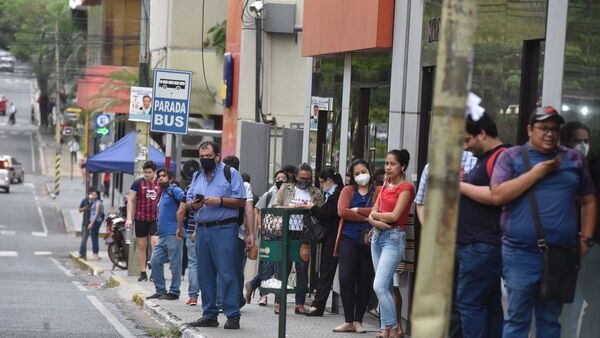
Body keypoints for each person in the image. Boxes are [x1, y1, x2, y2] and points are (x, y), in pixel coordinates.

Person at [490, 106, 597, 338]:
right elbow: (498, 195)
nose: (550, 134)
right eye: (544, 128)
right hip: (520, 254)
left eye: (554, 129)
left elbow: (589, 200)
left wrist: (586, 237)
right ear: (530, 130)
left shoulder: (573, 159)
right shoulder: (512, 157)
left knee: (550, 321)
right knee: (518, 319)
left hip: (560, 255)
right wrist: (535, 174)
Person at [414, 150, 478, 338]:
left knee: (464, 298)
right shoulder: (432, 166)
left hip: (469, 240)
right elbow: (421, 202)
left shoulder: (476, 162)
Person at [456, 113, 508, 338]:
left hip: (482, 244)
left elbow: (497, 195)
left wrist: (458, 186)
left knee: (470, 304)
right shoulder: (487, 158)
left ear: (482, 134)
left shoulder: (501, 157)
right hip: (478, 244)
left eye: (467, 140)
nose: (465, 147)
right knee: (488, 304)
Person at [186, 141, 246, 330]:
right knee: (205, 273)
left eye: (208, 157)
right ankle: (209, 314)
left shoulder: (230, 173)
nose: (204, 160)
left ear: (218, 156)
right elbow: (189, 201)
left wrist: (219, 201)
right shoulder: (197, 175)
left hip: (224, 229)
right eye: (201, 157)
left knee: (227, 273)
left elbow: (241, 201)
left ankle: (232, 315)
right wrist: (194, 204)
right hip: (202, 229)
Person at [368, 149, 415, 338]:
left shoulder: (406, 188)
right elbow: (373, 212)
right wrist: (378, 221)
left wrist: (375, 217)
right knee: (385, 287)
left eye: (392, 163)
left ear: (402, 166)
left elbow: (395, 216)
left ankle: (395, 329)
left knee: (379, 286)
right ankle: (386, 330)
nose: (388, 167)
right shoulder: (384, 185)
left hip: (393, 239)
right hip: (377, 237)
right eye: (386, 163)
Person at [333, 159, 380, 333]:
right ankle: (348, 320)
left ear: (370, 171)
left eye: (363, 171)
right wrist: (367, 216)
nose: (361, 175)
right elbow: (342, 211)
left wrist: (357, 211)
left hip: (370, 240)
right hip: (348, 238)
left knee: (365, 279)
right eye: (357, 173)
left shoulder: (378, 191)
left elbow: (379, 211)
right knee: (345, 277)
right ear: (352, 176)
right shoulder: (348, 190)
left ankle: (358, 320)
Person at [272, 162, 324, 315]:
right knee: (284, 267)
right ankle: (278, 302)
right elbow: (275, 206)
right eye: (301, 177)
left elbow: (320, 212)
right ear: (296, 176)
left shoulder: (315, 192)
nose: (304, 181)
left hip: (305, 233)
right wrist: (290, 208)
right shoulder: (286, 188)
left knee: (302, 269)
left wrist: (311, 207)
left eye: (307, 178)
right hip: (287, 231)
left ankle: (299, 303)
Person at [559, 121, 592, 338]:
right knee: (566, 310)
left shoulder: (590, 169)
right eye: (578, 141)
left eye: (586, 141)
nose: (583, 146)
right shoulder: (561, 169)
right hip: (564, 249)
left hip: (586, 248)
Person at [245, 169, 288, 306]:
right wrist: (259, 228)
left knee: (279, 266)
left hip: (285, 234)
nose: (281, 180)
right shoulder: (269, 194)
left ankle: (253, 285)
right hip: (269, 234)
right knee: (269, 265)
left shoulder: (290, 193)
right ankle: (270, 297)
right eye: (278, 177)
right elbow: (258, 211)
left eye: (284, 178)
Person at [304, 167, 344, 317]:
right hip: (331, 236)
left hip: (335, 237)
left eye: (322, 182)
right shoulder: (332, 194)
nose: (321, 185)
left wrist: (312, 208)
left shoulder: (338, 193)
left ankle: (318, 305)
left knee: (326, 271)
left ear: (329, 180)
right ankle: (318, 304)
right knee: (325, 271)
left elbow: (328, 214)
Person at [221, 155, 256, 308]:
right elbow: (249, 211)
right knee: (236, 267)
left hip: (218, 229)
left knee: (221, 265)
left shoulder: (217, 181)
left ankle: (222, 299)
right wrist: (250, 234)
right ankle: (236, 298)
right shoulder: (244, 184)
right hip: (237, 231)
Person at [146, 169, 185, 300]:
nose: (161, 178)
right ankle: (160, 290)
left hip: (174, 233)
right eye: (159, 176)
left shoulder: (174, 190)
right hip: (162, 235)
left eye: (164, 176)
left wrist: (180, 224)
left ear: (171, 178)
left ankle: (174, 292)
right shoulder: (163, 193)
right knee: (155, 261)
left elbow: (185, 199)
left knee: (175, 264)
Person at [125, 161, 162, 282]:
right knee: (142, 245)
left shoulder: (160, 183)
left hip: (155, 218)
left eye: (149, 172)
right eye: (145, 172)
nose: (147, 175)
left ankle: (154, 271)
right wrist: (129, 218)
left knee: (155, 243)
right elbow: (130, 200)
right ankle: (142, 272)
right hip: (140, 218)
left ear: (154, 172)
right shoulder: (138, 183)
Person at [183, 186, 199, 306]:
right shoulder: (210, 186)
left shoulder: (190, 188)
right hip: (205, 229)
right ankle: (215, 298)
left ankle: (193, 296)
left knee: (193, 263)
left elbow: (182, 210)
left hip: (192, 229)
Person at [87, 191, 104, 261]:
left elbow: (96, 214)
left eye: (94, 195)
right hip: (96, 221)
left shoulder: (97, 203)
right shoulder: (94, 202)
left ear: (97, 196)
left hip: (95, 222)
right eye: (92, 194)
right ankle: (95, 253)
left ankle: (95, 254)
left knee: (94, 238)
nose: (93, 196)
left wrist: (91, 223)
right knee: (94, 237)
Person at [78, 191, 93, 260]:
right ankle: (82, 253)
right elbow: (80, 209)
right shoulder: (85, 201)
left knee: (93, 239)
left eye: (91, 194)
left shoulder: (94, 202)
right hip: (85, 222)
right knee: (84, 239)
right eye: (89, 194)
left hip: (93, 223)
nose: (90, 195)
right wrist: (85, 208)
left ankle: (94, 254)